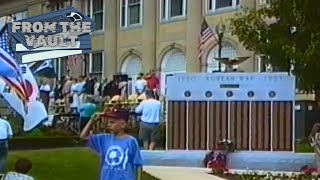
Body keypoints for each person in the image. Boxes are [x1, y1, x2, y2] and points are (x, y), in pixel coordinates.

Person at [80, 108, 142, 180]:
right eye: (108, 122)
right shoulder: (104, 139)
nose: (109, 125)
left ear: (123, 125)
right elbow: (83, 136)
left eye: (112, 122)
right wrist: (92, 120)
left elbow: (138, 164)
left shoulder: (131, 141)